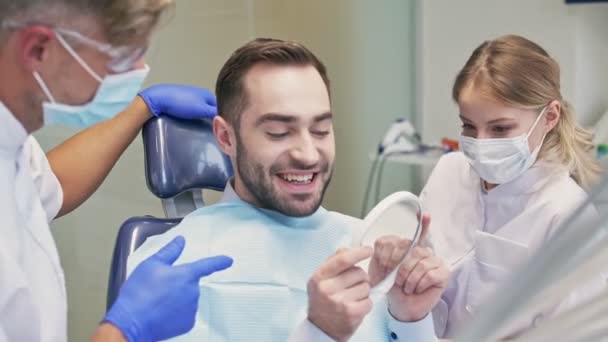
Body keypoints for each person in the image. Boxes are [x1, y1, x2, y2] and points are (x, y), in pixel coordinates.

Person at [128, 38, 449, 341]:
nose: (308, 154)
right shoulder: (166, 270)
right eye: (279, 132)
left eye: (321, 130)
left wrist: (410, 321)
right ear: (226, 137)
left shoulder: (368, 249)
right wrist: (319, 332)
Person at [0, 1, 234, 341]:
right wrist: (124, 330)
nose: (140, 68)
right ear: (39, 49)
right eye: (122, 54)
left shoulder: (11, 141)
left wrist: (142, 108)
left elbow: (49, 186)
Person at [409, 34, 605, 338]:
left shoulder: (564, 213)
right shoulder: (449, 172)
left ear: (550, 117)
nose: (481, 144)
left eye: (500, 129)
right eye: (468, 127)